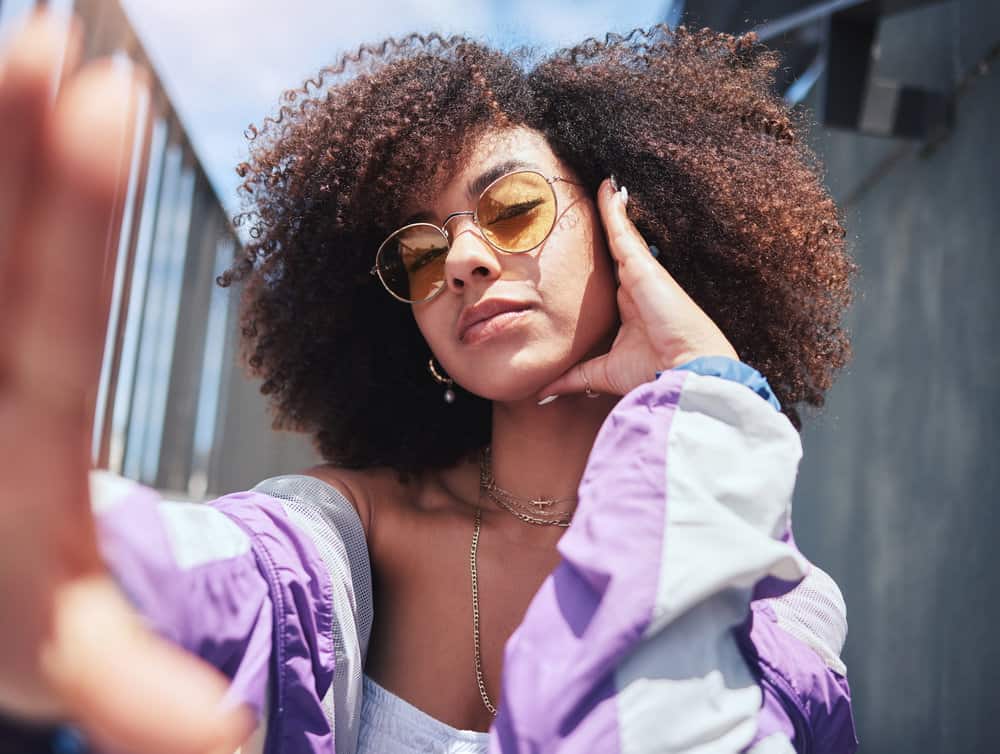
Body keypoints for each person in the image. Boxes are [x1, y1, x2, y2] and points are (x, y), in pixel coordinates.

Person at [0, 9, 858, 754]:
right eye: (418, 250)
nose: (461, 259)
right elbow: (203, 582)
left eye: (513, 208)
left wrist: (699, 397)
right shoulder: (344, 533)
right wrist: (99, 569)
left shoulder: (767, 597)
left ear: (626, 220)